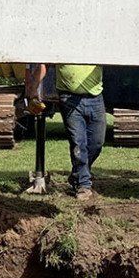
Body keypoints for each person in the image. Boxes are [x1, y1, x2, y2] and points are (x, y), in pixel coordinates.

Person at [26, 62, 106, 197]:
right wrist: (33, 88)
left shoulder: (94, 45)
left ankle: (78, 175)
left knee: (97, 143)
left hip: (95, 97)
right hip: (69, 98)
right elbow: (44, 64)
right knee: (78, 143)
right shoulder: (63, 45)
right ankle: (83, 185)